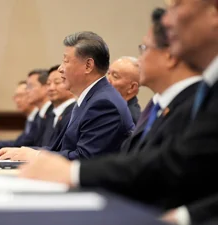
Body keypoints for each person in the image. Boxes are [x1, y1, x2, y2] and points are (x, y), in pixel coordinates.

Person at [18, 0, 218, 214]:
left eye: (144, 49)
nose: (168, 19)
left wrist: (71, 171)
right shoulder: (164, 103)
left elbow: (171, 166)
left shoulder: (105, 103)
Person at [0, 31, 134, 160]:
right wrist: (21, 152)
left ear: (88, 66)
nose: (60, 69)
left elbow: (85, 158)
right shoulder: (91, 99)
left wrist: (35, 155)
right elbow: (59, 149)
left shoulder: (104, 104)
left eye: (66, 61)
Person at [120, 8, 201, 154]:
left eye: (144, 48)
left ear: (170, 56)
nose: (138, 62)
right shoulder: (158, 107)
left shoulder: (192, 111)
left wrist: (76, 171)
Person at [0, 81, 38, 149]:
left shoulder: (41, 118)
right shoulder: (30, 119)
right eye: (16, 96)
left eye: (20, 96)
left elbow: (20, 144)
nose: (17, 100)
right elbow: (18, 142)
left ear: (31, 95)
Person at [40, 65, 76, 147]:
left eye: (57, 83)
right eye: (48, 84)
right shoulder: (49, 114)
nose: (51, 88)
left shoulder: (74, 113)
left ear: (70, 84)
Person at [107, 56, 141, 124]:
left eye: (115, 76)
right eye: (108, 73)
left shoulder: (129, 118)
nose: (107, 80)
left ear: (132, 87)